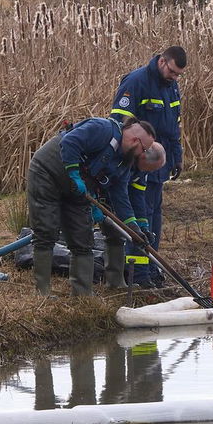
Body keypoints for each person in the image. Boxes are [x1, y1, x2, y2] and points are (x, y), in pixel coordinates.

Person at [26, 116, 163, 297]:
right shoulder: (102, 128)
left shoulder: (124, 161)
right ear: (134, 140)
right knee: (46, 232)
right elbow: (70, 142)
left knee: (82, 239)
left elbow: (120, 195)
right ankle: (42, 294)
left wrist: (133, 227)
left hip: (79, 191)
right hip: (49, 174)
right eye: (143, 150)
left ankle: (82, 296)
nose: (141, 155)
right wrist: (74, 174)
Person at [110, 45, 186, 287]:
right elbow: (120, 122)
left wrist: (177, 156)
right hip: (139, 163)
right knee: (140, 213)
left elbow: (174, 125)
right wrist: (135, 157)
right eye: (173, 72)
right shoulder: (136, 82)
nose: (175, 78)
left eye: (178, 75)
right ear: (162, 61)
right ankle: (138, 275)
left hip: (159, 162)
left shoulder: (171, 85)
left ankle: (152, 267)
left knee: (154, 216)